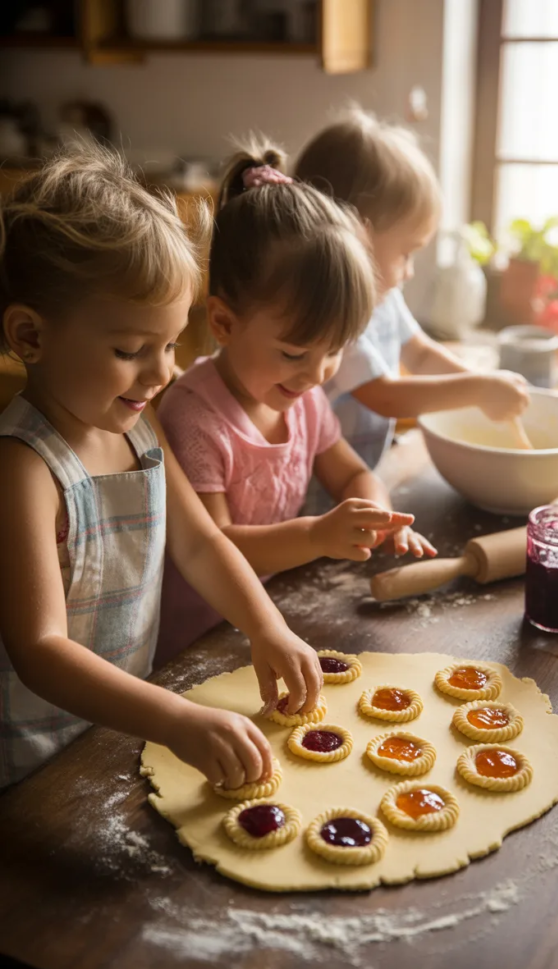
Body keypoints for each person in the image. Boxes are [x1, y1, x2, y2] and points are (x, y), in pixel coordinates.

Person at [0, 142, 324, 791]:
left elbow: (203, 545)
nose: (164, 371)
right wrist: (175, 718)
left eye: (172, 343)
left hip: (118, 734)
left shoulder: (141, 429)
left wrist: (268, 628)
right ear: (30, 337)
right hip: (35, 768)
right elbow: (40, 651)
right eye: (130, 349)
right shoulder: (24, 469)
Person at [156, 139, 435, 665]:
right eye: (294, 352)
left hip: (275, 621)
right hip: (199, 646)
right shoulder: (194, 418)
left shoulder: (301, 398)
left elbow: (351, 476)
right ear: (223, 323)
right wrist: (317, 535)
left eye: (335, 351)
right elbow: (216, 547)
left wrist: (377, 513)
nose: (317, 374)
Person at [295, 107, 529, 474]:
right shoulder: (334, 314)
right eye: (406, 253)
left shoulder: (385, 297)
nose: (410, 271)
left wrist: (480, 382)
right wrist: (478, 391)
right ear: (357, 237)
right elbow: (384, 395)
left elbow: (419, 354)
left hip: (365, 468)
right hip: (320, 481)